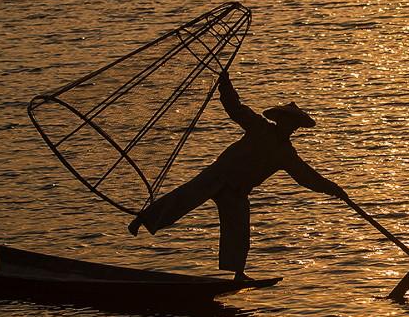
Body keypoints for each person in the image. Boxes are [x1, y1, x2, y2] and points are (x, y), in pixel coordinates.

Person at [128, 70, 347, 281]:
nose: (290, 127)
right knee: (184, 197)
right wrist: (225, 85)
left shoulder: (286, 153)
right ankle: (143, 219)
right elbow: (235, 109)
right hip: (219, 175)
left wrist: (335, 190)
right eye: (287, 121)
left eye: (293, 124)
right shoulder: (259, 127)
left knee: (239, 229)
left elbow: (307, 177)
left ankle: (238, 273)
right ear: (279, 119)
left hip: (237, 191)